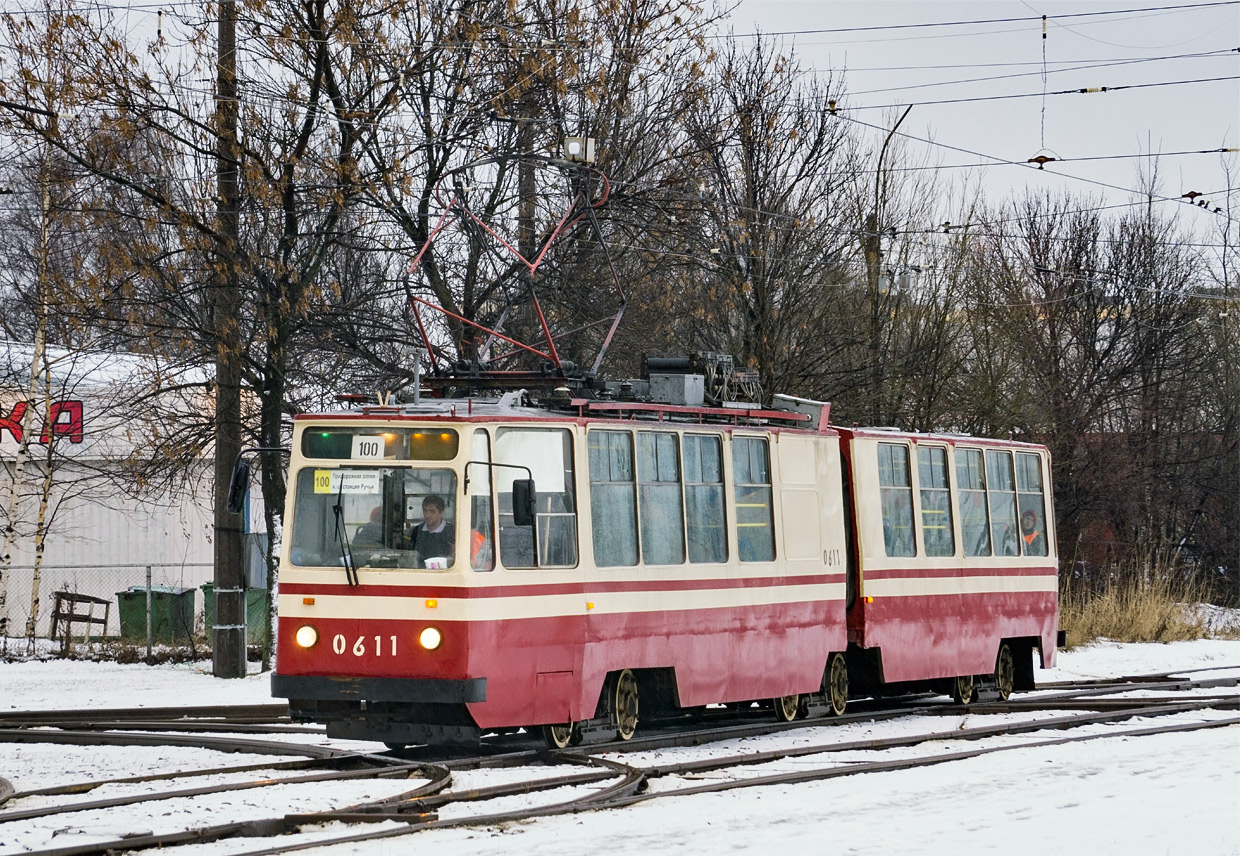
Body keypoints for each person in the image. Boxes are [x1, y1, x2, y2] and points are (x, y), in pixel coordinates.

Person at [408, 495, 455, 567]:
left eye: (432, 511)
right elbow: (412, 556)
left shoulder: (452, 531)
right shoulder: (417, 531)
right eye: (425, 510)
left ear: (441, 513)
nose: (427, 515)